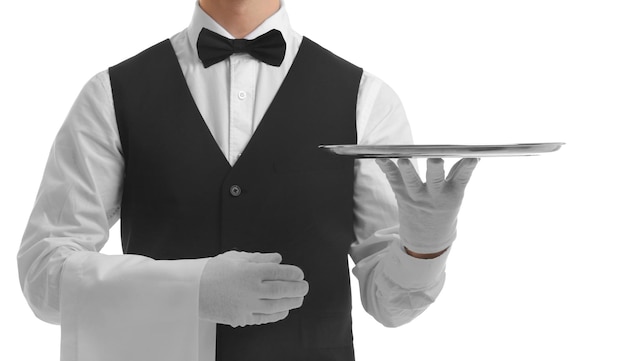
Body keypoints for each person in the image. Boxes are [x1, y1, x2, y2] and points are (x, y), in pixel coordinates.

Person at [17, 0, 478, 360]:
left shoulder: (367, 100)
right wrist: (189, 288)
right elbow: (44, 277)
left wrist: (424, 248)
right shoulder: (110, 96)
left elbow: (390, 304)